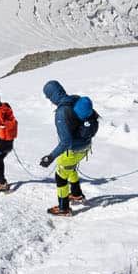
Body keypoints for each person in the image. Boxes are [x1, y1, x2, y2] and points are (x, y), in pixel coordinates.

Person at [39, 80, 99, 217]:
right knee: (70, 168)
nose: (49, 100)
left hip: (72, 151)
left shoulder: (61, 112)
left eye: (48, 97)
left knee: (60, 176)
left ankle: (63, 208)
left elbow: (66, 142)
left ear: (52, 95)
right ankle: (77, 195)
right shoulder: (75, 99)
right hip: (86, 146)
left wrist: (50, 157)